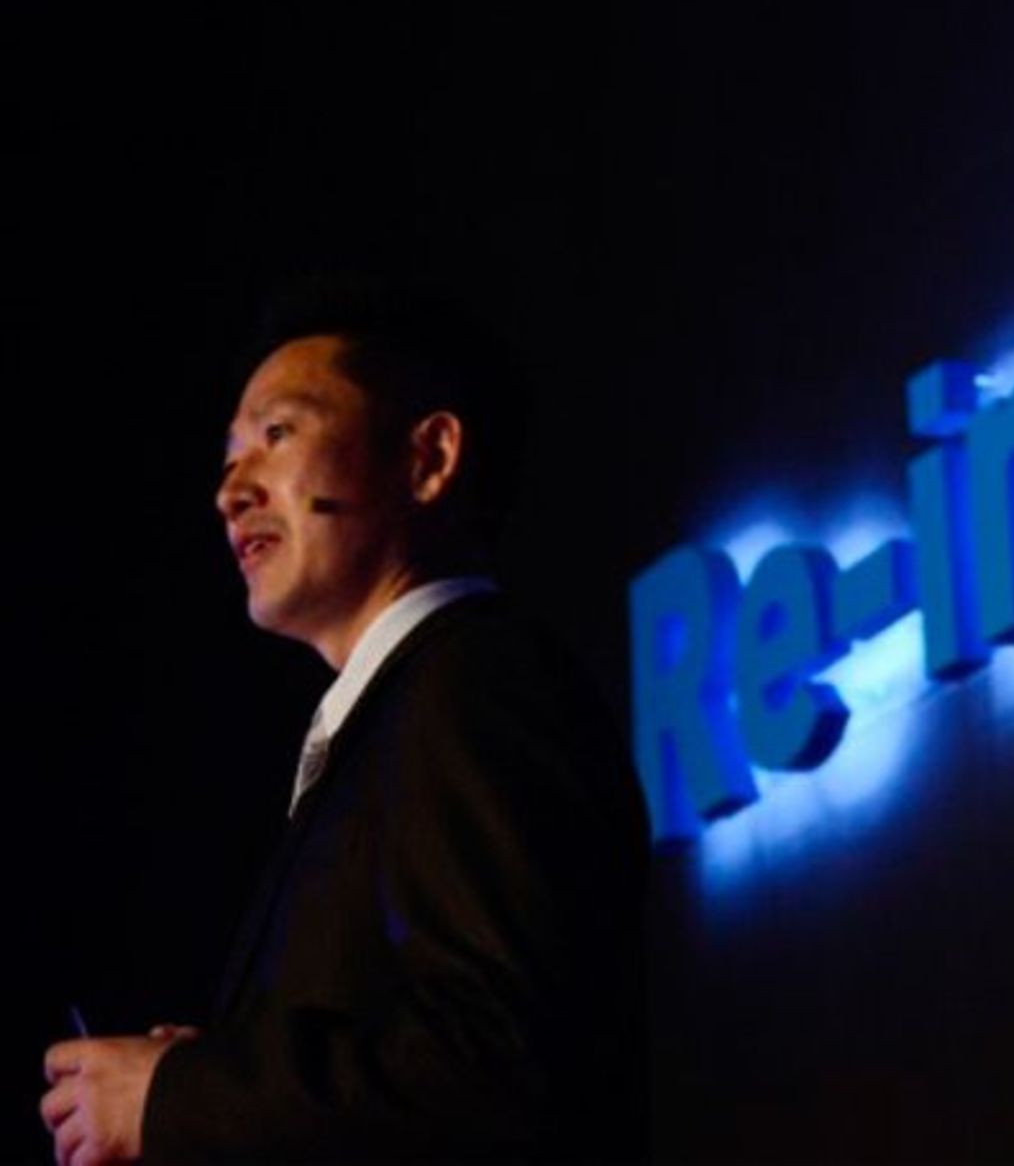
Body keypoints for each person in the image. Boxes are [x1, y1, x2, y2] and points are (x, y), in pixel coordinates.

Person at [40, 281, 650, 1162]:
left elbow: (502, 1070)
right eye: (228, 457)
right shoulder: (392, 718)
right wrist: (218, 1081)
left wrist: (181, 1096)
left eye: (277, 435)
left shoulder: (473, 683)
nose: (230, 492)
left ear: (430, 459)